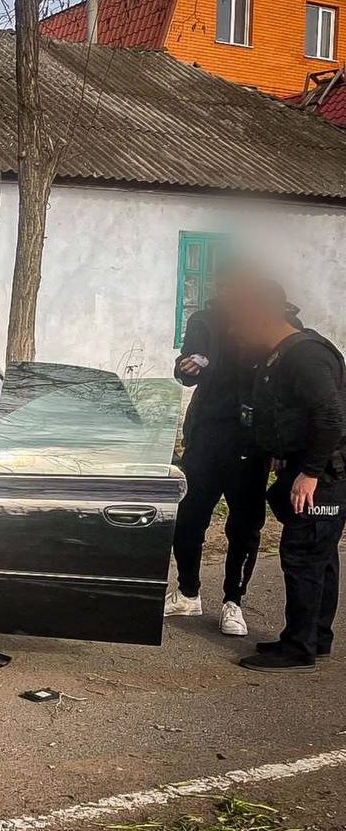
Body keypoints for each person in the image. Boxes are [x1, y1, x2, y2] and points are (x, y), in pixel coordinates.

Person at [226, 278, 346, 673]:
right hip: (311, 466)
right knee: (321, 556)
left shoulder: (305, 355)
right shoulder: (288, 351)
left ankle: (298, 647)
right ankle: (316, 638)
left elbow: (330, 416)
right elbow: (296, 413)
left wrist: (309, 473)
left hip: (323, 475)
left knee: (304, 557)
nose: (236, 330)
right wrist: (285, 453)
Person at [163, 273, 267, 636]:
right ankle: (188, 592)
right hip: (205, 433)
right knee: (189, 516)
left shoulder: (264, 321)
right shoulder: (202, 320)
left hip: (249, 439)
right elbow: (186, 370)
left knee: (244, 525)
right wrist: (184, 367)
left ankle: (233, 602)